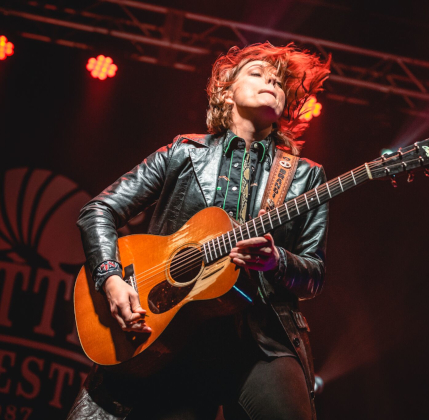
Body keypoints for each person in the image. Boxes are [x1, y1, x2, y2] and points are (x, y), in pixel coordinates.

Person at [68, 42, 331, 420]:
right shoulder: (182, 152)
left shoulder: (306, 176)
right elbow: (99, 210)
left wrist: (276, 261)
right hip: (177, 333)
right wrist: (111, 279)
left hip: (263, 338)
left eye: (278, 82)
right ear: (226, 92)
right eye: (257, 73)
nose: (272, 83)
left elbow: (314, 276)